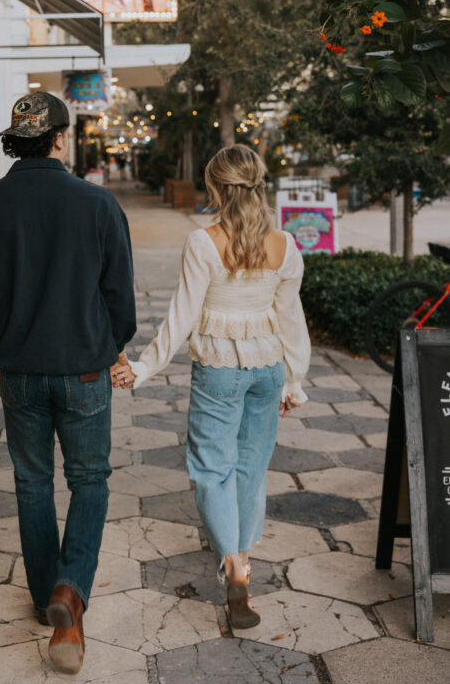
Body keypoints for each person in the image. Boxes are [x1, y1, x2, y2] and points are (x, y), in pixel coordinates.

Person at [0, 92, 136, 674]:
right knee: (90, 480)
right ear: (60, 138)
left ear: (17, 139)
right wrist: (112, 345)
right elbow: (120, 299)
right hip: (84, 369)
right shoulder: (98, 204)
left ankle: (45, 599)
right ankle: (69, 590)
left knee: (33, 482)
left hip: (20, 371)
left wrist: (1, 337)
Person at [111, 144, 310, 628]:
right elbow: (291, 320)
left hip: (220, 368)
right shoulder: (285, 245)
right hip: (268, 368)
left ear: (216, 188)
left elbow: (181, 317)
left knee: (210, 467)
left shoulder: (204, 243)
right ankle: (242, 554)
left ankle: (233, 564)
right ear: (259, 184)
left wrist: (143, 367)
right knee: (251, 467)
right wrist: (294, 381)